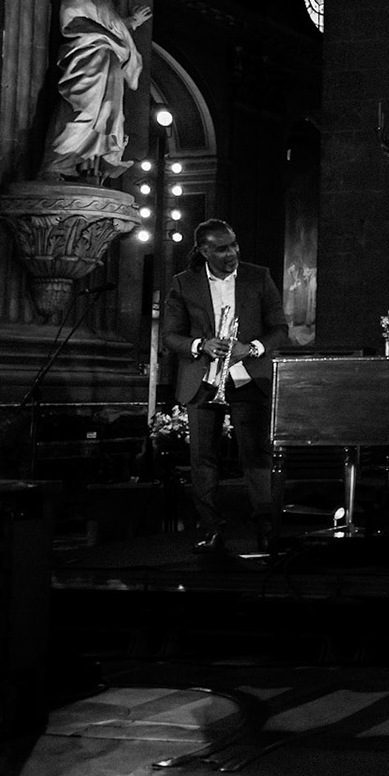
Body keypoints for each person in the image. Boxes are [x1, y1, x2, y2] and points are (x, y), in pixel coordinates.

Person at [162, 219, 288, 553]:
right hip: (203, 381)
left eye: (234, 245)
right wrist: (201, 345)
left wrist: (254, 347)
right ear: (204, 251)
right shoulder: (183, 283)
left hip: (247, 377)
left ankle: (265, 529)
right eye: (222, 248)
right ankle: (211, 529)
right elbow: (171, 336)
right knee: (203, 460)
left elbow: (279, 328)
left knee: (256, 457)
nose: (231, 253)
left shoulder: (257, 276)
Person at [38, 0, 149, 183]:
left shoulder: (103, 2)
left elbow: (111, 26)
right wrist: (111, 37)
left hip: (110, 60)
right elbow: (74, 22)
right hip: (90, 57)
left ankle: (90, 167)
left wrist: (131, 23)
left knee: (109, 113)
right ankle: (56, 163)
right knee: (85, 109)